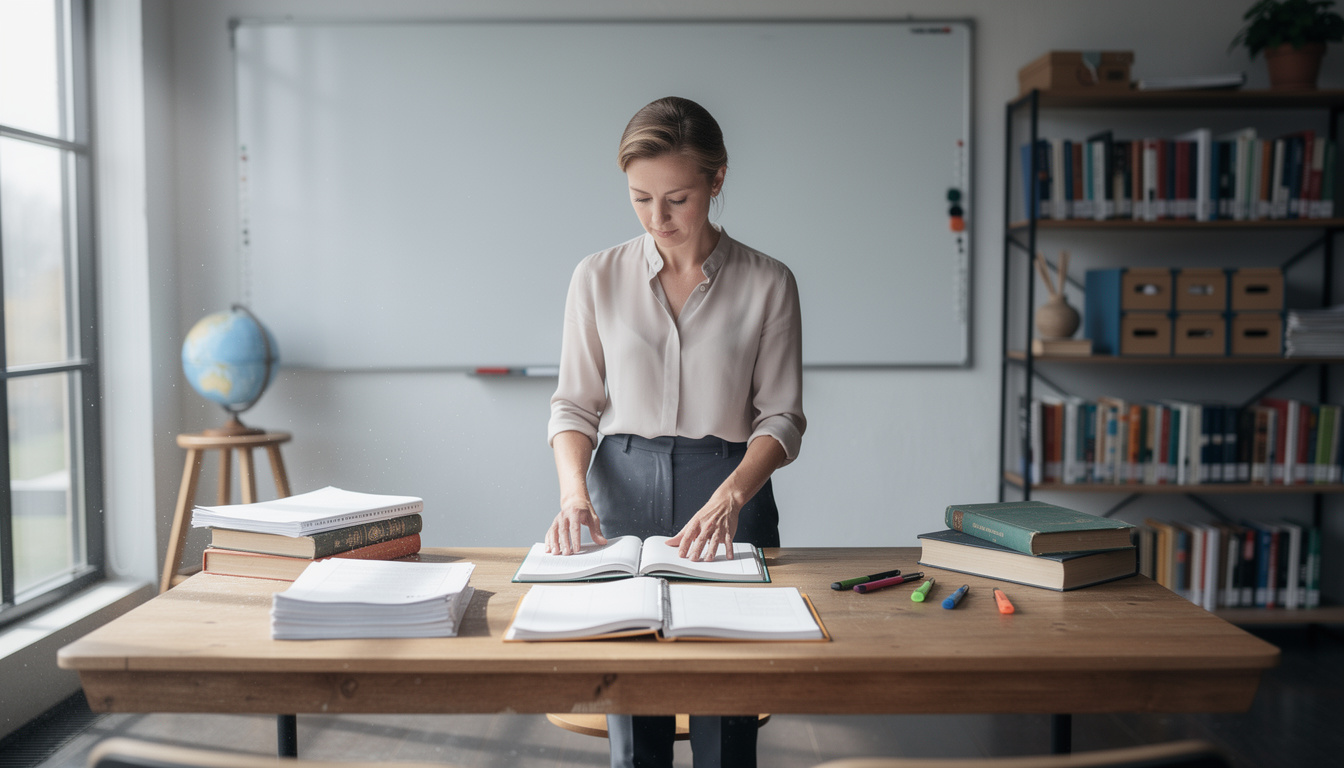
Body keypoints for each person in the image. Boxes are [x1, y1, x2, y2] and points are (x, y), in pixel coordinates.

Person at [544, 96, 805, 768]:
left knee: (727, 721)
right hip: (619, 494)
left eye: (677, 199)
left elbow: (781, 417)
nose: (657, 218)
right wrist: (574, 494)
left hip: (729, 497)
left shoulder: (768, 282)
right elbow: (574, 406)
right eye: (640, 198)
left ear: (717, 180)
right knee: (634, 722)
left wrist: (732, 494)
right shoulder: (596, 277)